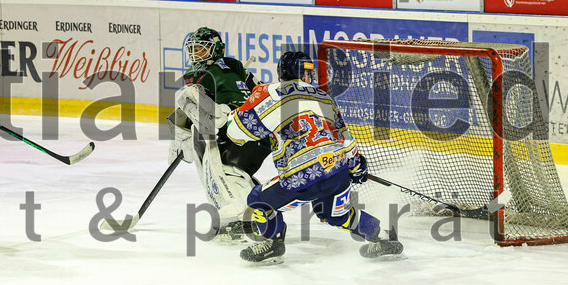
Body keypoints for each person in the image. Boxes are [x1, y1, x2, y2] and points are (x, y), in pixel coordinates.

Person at [224, 50, 401, 264]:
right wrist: (356, 168)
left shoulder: (269, 92)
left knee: (257, 199)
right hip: (337, 170)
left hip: (304, 176)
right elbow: (347, 139)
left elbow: (237, 134)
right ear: (305, 74)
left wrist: (232, 117)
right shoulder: (325, 98)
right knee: (336, 215)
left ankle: (272, 243)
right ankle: (381, 237)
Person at [167, 27, 272, 238]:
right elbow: (260, 89)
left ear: (216, 49)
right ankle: (258, 212)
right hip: (260, 129)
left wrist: (179, 132)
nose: (196, 54)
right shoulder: (234, 65)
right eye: (193, 49)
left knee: (220, 169)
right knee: (235, 172)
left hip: (236, 126)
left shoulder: (195, 74)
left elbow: (189, 103)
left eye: (202, 49)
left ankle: (240, 221)